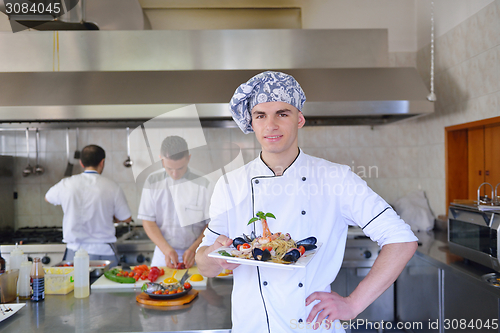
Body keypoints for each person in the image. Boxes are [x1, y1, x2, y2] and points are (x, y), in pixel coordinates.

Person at [195, 71, 418, 332]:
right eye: (260, 115)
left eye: (282, 113)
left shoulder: (335, 178)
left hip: (313, 326)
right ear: (251, 123)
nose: (271, 125)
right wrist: (216, 259)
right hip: (251, 326)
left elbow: (402, 240)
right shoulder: (230, 184)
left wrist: (353, 304)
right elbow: (204, 263)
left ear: (299, 119)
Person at [45, 144, 132, 267]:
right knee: (105, 286)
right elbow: (126, 218)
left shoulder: (66, 184)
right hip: (104, 252)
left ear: (81, 163)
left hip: (74, 251)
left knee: (73, 286)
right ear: (102, 162)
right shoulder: (112, 186)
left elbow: (47, 198)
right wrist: (110, 216)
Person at [138, 135, 211, 269]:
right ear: (162, 160)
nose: (175, 174)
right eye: (170, 168)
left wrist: (194, 249)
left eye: (180, 168)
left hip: (195, 253)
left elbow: (210, 224)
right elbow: (148, 221)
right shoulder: (152, 181)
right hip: (163, 252)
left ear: (188, 158)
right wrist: (166, 250)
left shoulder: (203, 183)